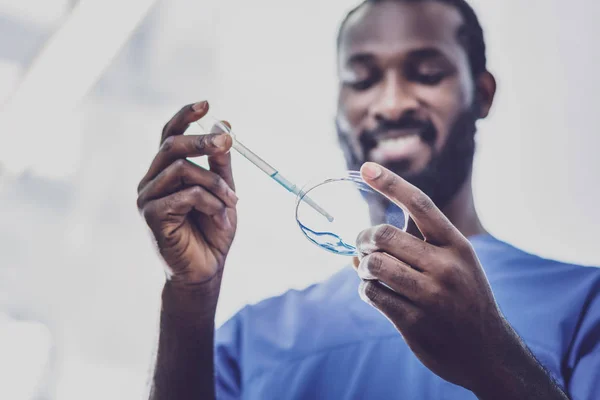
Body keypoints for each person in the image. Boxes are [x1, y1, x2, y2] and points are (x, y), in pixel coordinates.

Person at [136, 0, 600, 398]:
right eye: (362, 80)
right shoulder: (252, 340)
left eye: (427, 74)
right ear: (338, 108)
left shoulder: (584, 307)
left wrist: (495, 359)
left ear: (481, 95)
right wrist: (189, 297)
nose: (392, 103)